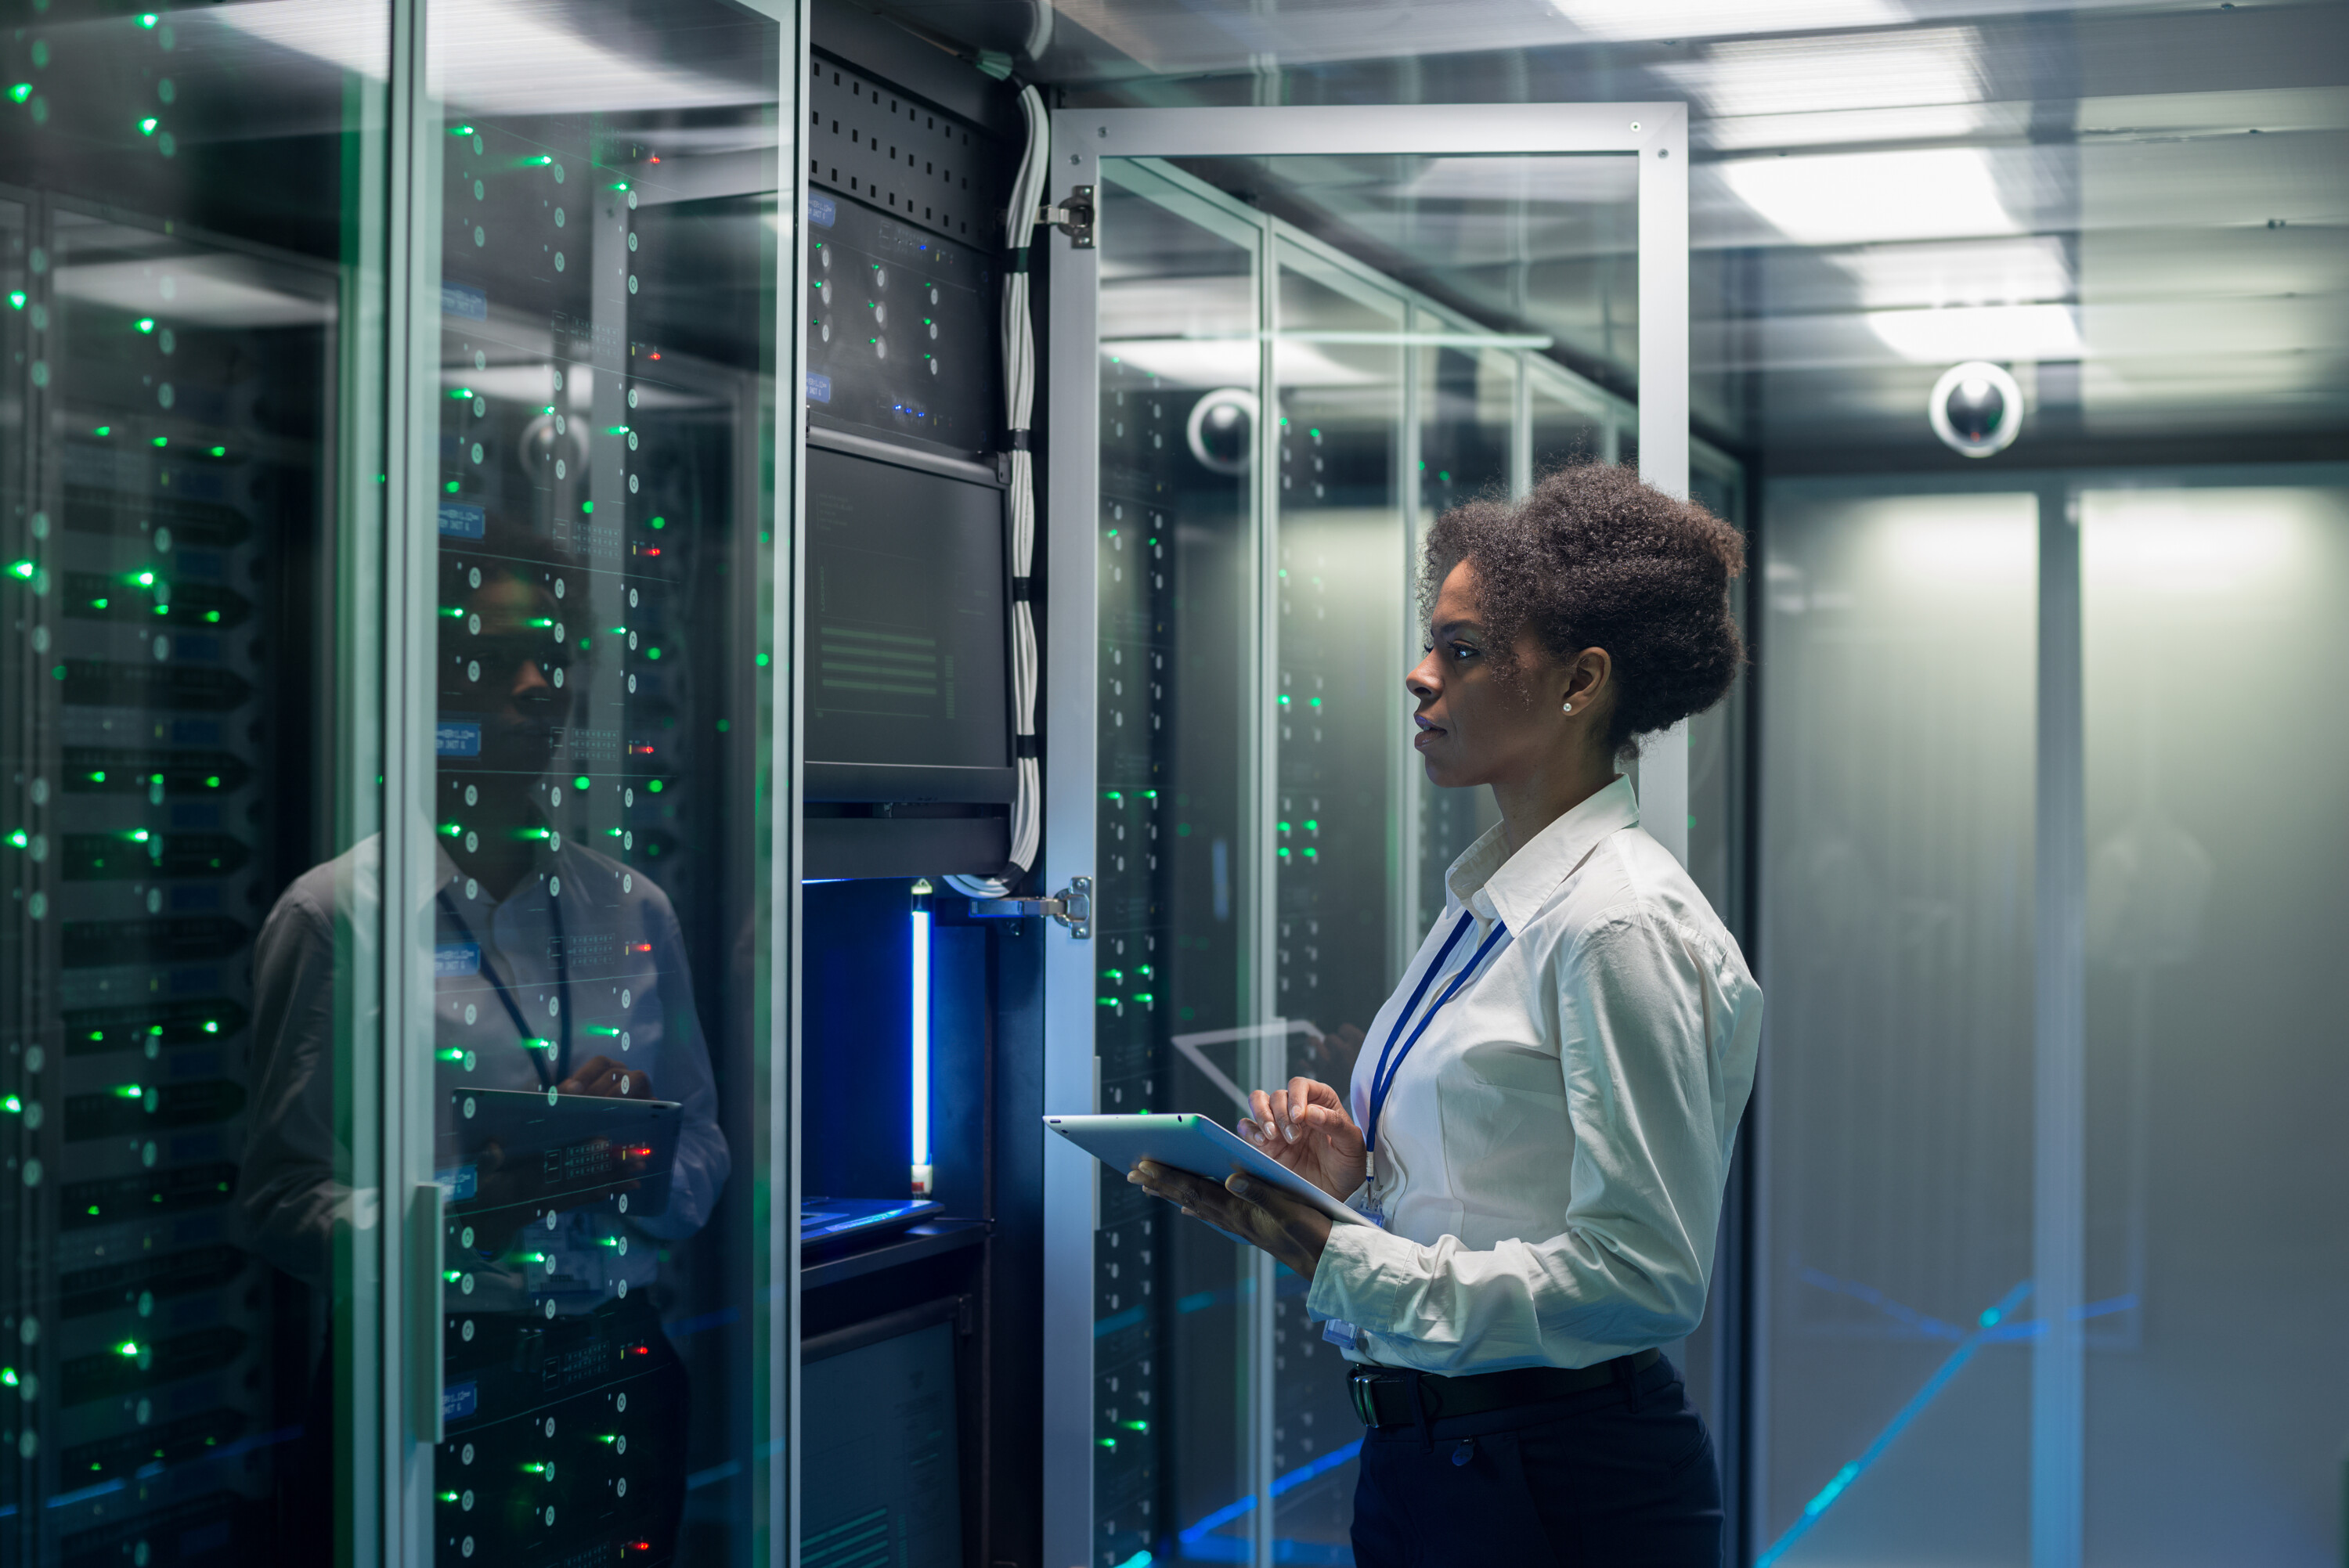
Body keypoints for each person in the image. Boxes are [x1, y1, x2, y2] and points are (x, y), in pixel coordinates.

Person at [1131, 463, 1762, 1566]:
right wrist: (1352, 1184)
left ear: (1581, 684)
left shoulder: (1616, 921)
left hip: (1558, 1486)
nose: (1420, 679)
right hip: (1440, 1464)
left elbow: (1643, 1277)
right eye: (1432, 645)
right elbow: (1494, 1193)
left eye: (1463, 653)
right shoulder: (1496, 898)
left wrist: (1341, 1255)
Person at [234, 530, 727, 1564]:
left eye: (553, 657)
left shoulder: (633, 907)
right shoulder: (337, 916)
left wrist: (637, 1155)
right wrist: (468, 1201)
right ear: (427, 683)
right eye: (498, 657)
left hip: (618, 1361)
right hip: (425, 1377)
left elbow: (704, 1156)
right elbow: (278, 1204)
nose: (539, 684)